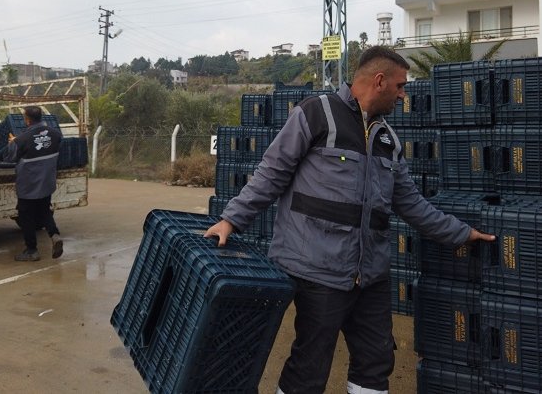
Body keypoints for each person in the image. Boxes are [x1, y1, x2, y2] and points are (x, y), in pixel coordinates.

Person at [204, 46, 495, 394]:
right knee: (310, 365)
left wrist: (462, 233)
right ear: (380, 81)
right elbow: (271, 173)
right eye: (401, 86)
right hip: (317, 269)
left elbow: (412, 204)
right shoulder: (316, 114)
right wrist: (231, 220)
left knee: (375, 361)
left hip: (369, 275)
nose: (404, 95)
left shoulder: (388, 139)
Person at [4, 106, 64, 262]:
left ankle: (31, 250)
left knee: (26, 216)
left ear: (27, 119)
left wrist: (12, 142)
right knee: (44, 210)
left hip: (28, 185)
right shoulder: (56, 135)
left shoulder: (22, 139)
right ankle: (54, 234)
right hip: (46, 182)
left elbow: (10, 158)